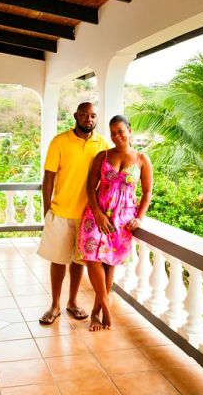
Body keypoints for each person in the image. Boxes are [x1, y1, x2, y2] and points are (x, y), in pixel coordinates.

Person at [77, 115, 153, 331]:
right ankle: (107, 309)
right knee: (92, 258)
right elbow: (90, 188)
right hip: (97, 214)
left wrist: (140, 217)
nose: (117, 136)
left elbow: (147, 192)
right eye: (112, 132)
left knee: (109, 264)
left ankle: (95, 312)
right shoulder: (103, 156)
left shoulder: (141, 159)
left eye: (120, 131)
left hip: (123, 218)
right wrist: (99, 214)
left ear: (129, 130)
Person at [37, 102, 110, 325]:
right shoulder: (60, 141)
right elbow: (49, 176)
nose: (89, 119)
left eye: (93, 116)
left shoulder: (102, 144)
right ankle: (55, 305)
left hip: (88, 215)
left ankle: (72, 302)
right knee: (58, 260)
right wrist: (47, 208)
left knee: (79, 262)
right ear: (76, 116)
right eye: (85, 115)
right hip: (61, 211)